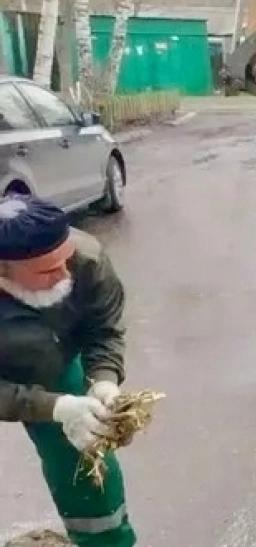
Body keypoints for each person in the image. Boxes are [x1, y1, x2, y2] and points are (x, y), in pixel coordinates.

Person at [0, 194, 136, 547]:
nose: (65, 274)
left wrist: (104, 380)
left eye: (65, 259)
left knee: (82, 450)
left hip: (51, 360)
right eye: (48, 271)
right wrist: (54, 407)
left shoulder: (85, 257)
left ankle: (106, 542)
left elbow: (104, 328)